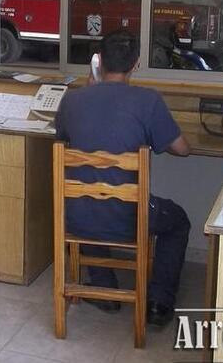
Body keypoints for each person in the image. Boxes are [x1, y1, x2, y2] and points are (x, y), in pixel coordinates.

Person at [54, 30, 191, 327]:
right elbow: (182, 150)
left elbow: (62, 138)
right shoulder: (148, 100)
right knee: (178, 222)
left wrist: (90, 89)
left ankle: (105, 291)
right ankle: (157, 302)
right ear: (137, 63)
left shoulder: (72, 100)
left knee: (88, 199)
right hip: (130, 218)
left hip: (73, 217)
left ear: (98, 61)